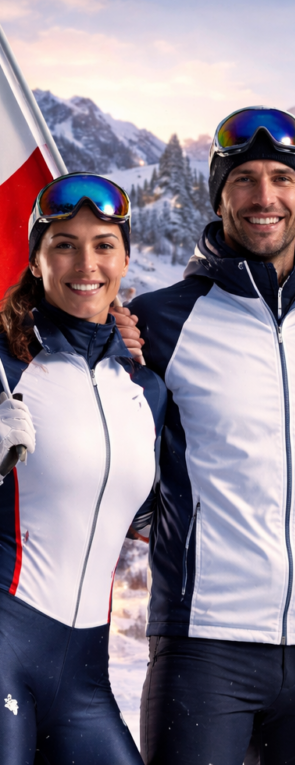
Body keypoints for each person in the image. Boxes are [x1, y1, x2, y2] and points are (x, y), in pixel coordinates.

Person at [125, 107, 295, 765]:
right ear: (219, 196)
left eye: (282, 178)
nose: (263, 196)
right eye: (243, 179)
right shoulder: (158, 322)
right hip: (203, 643)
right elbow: (116, 462)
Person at [0, 173, 166, 765]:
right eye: (64, 244)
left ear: (124, 260)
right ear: (36, 261)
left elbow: (147, 519)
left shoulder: (145, 389)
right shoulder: (5, 368)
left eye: (103, 245)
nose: (85, 263)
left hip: (84, 677)